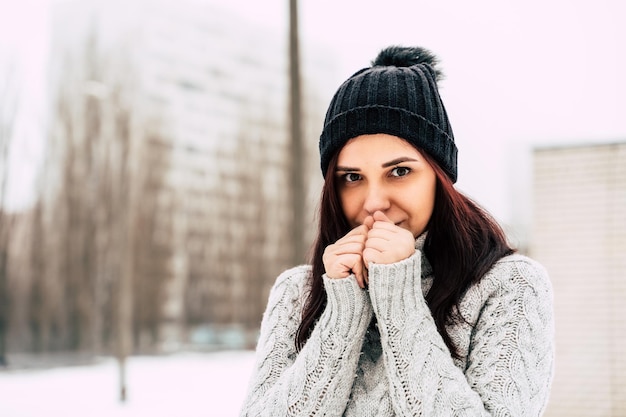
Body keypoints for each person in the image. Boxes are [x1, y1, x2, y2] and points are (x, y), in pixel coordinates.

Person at [239, 45, 554, 416]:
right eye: (352, 177)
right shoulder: (299, 292)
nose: (374, 201)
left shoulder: (511, 286)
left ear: (440, 178)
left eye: (399, 172)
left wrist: (398, 297)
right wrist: (342, 313)